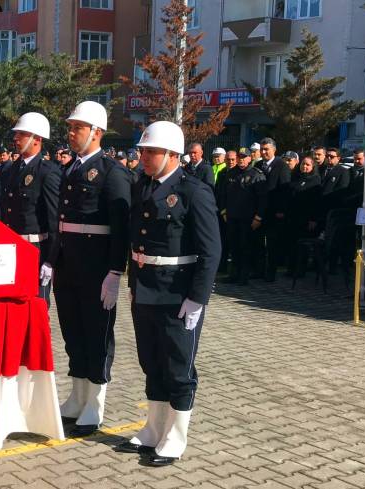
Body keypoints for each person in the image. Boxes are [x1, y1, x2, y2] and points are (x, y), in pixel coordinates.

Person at [116, 120, 220, 467]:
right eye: (142, 151)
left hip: (177, 294)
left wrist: (198, 298)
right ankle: (153, 429)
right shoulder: (141, 186)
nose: (143, 157)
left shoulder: (194, 191)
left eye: (151, 151)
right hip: (145, 287)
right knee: (151, 362)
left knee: (178, 367)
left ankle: (175, 437)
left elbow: (211, 251)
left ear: (173, 154)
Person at [54, 101, 130, 437]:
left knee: (97, 335)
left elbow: (120, 227)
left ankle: (95, 403)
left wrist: (115, 271)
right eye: (70, 128)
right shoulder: (70, 169)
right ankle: (77, 396)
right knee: (73, 332)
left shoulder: (112, 172)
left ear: (96, 132)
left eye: (78, 128)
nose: (71, 134)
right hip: (69, 265)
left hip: (96, 267)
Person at [1, 112, 60, 306]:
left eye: (22, 134)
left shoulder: (47, 172)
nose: (16, 138)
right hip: (11, 248)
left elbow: (53, 220)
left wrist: (50, 260)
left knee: (36, 308)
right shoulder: (10, 169)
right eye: (16, 134)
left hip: (35, 250)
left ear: (37, 139)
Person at [219, 148, 267, 285]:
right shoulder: (231, 173)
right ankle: (233, 274)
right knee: (233, 247)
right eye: (240, 157)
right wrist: (223, 212)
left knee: (245, 248)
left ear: (249, 158)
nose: (241, 159)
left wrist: (258, 218)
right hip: (232, 218)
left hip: (248, 219)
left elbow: (263, 199)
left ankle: (243, 276)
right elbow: (223, 194)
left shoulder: (256, 174)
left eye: (244, 157)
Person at [256, 138, 292, 282]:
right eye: (262, 149)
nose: (264, 152)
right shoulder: (258, 164)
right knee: (258, 243)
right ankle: (258, 270)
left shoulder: (281, 165)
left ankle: (271, 272)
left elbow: (285, 190)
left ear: (274, 150)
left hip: (274, 211)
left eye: (267, 149)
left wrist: (281, 210)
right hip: (259, 211)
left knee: (272, 244)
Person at [287, 156, 322, 276]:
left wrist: (313, 219)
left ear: (312, 167)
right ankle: (291, 269)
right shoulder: (295, 177)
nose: (305, 167)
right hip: (293, 217)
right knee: (291, 244)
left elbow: (317, 202)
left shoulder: (316, 180)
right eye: (303, 164)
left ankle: (301, 270)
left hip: (306, 219)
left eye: (307, 165)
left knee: (302, 247)